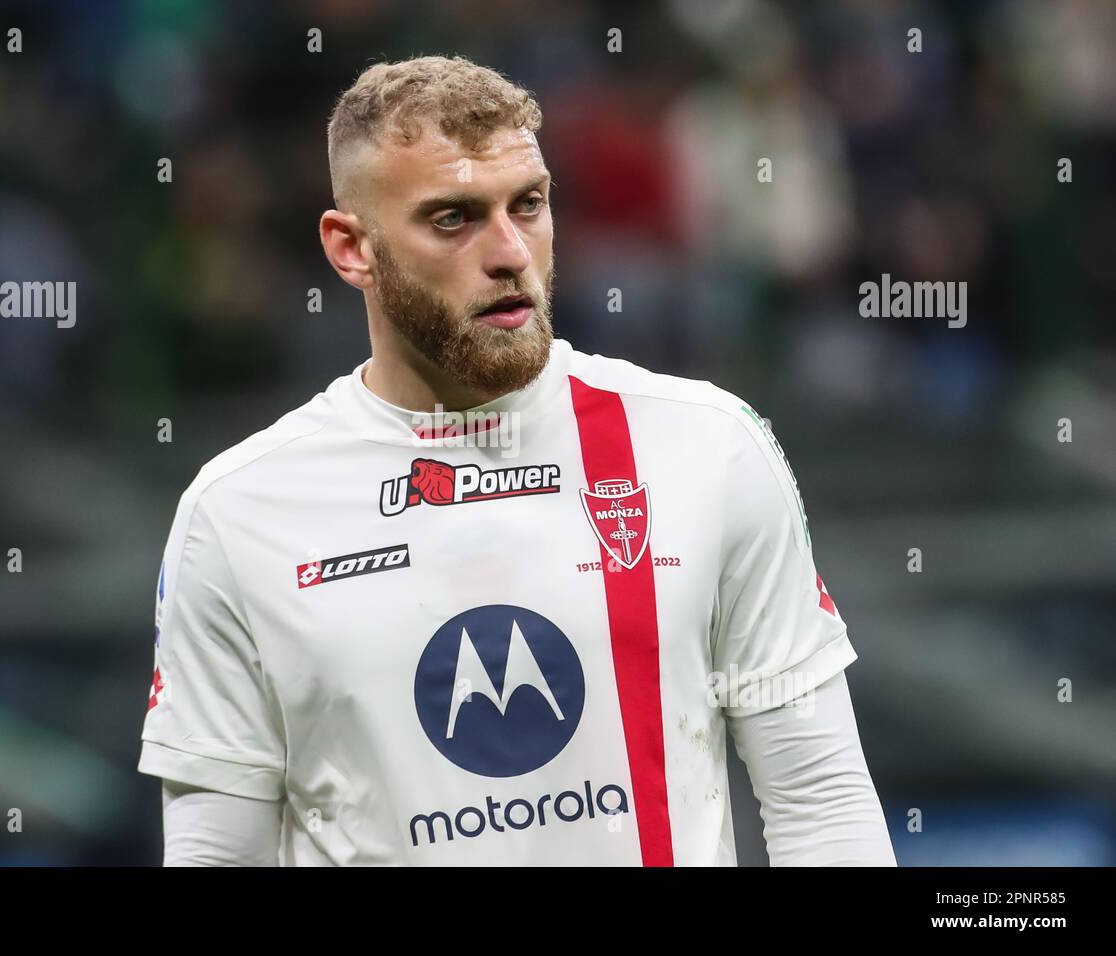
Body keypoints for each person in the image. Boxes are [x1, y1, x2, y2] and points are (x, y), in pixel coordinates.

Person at [138, 55, 895, 866]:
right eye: (454, 218)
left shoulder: (705, 445)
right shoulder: (241, 510)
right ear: (350, 248)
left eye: (528, 205)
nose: (509, 253)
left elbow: (821, 803)